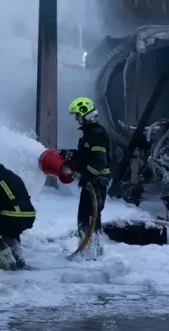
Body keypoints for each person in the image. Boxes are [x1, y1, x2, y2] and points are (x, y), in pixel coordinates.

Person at [59, 96, 112, 260]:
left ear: (85, 114)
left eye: (77, 115)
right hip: (91, 184)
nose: (76, 119)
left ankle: (90, 253)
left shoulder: (96, 135)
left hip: (95, 184)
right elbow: (86, 156)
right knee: (86, 218)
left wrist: (82, 176)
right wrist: (70, 154)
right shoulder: (90, 134)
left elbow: (99, 162)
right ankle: (89, 251)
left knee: (90, 219)